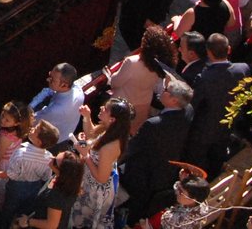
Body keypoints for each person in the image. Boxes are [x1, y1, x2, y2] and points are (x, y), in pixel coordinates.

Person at [120, 78, 194, 222]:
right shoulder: (188, 111)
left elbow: (131, 148)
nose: (162, 91)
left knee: (134, 205)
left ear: (174, 101)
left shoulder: (153, 125)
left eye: (166, 91)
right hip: (166, 170)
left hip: (143, 173)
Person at [183, 33, 250, 176]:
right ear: (229, 49)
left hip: (203, 131)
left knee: (196, 165)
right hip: (227, 126)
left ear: (208, 52)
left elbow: (193, 105)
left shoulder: (204, 78)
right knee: (216, 161)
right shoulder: (243, 69)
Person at [70, 98, 133, 229]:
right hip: (89, 179)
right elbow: (92, 134)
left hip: (95, 189)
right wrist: (86, 117)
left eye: (105, 109)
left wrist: (85, 154)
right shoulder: (109, 129)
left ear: (112, 119)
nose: (101, 108)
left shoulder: (110, 146)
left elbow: (102, 178)